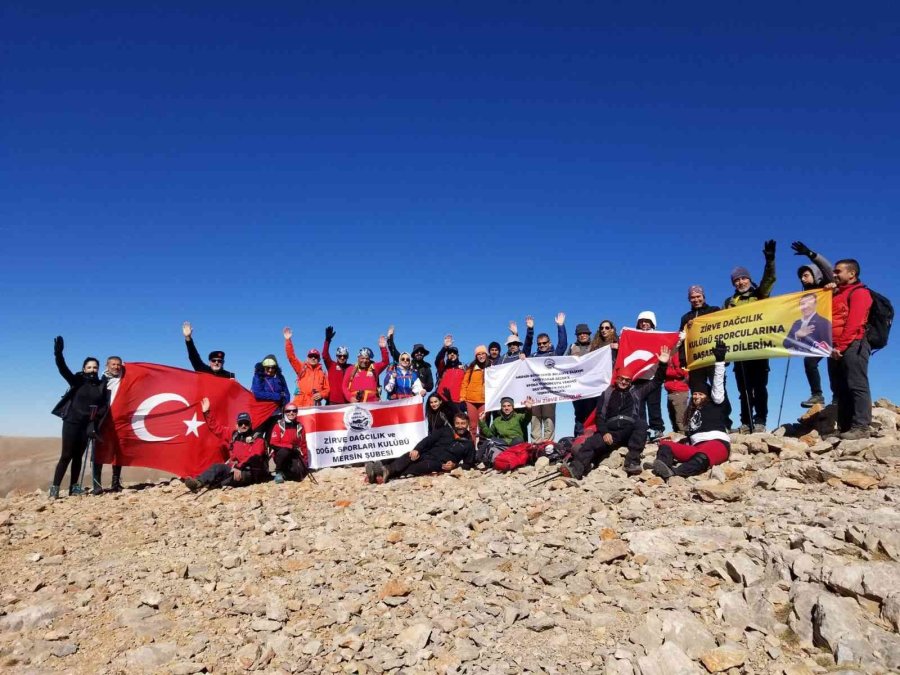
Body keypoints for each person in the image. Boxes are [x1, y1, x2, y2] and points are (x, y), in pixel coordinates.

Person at [560, 345, 670, 479]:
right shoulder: (607, 393)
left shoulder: (636, 392)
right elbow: (600, 416)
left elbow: (656, 382)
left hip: (629, 429)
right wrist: (604, 432)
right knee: (590, 444)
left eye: (627, 380)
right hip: (611, 431)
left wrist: (663, 364)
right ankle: (575, 470)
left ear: (630, 382)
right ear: (617, 379)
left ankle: (632, 462)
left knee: (641, 424)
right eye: (621, 379)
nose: (624, 382)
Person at [652, 339, 730, 479]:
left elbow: (718, 384)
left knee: (703, 456)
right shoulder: (691, 412)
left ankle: (676, 473)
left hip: (716, 443)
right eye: (694, 394)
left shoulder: (715, 402)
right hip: (695, 447)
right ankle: (663, 465)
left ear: (707, 396)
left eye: (700, 394)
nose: (696, 396)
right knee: (665, 445)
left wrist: (719, 361)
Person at [723, 240, 777, 433]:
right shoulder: (729, 302)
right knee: (743, 389)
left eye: (743, 278)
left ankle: (760, 420)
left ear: (748, 278)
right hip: (739, 352)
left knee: (760, 387)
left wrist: (770, 261)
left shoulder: (760, 294)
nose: (740, 282)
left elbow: (769, 280)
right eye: (736, 280)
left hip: (758, 348)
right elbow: (724, 327)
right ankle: (746, 422)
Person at [49, 337, 109, 498]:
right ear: (84, 368)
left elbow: (103, 407)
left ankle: (74, 487)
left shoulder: (101, 386)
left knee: (78, 457)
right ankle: (54, 488)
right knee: (66, 456)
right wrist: (58, 354)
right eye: (89, 367)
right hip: (71, 422)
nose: (92, 370)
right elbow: (63, 369)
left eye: (95, 367)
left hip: (87, 426)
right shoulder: (77, 381)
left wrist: (93, 424)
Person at [181, 398, 269, 491]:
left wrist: (239, 467)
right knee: (217, 467)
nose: (243, 425)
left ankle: (208, 485)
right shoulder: (233, 435)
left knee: (224, 481)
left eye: (246, 423)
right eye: (240, 423)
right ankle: (198, 483)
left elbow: (255, 455)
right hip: (237, 468)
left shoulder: (257, 437)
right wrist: (207, 413)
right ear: (237, 425)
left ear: (250, 424)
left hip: (252, 471)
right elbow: (216, 428)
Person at [829, 259, 873, 440]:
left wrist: (842, 345)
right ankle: (845, 427)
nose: (834, 274)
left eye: (838, 271)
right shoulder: (836, 294)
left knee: (856, 385)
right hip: (833, 348)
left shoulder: (860, 293)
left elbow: (855, 322)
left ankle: (861, 426)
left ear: (851, 273)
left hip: (853, 344)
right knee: (840, 388)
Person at [365, 412, 476, 484]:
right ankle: (384, 470)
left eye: (463, 423)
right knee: (410, 456)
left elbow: (469, 464)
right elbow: (428, 440)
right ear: (454, 423)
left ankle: (380, 473)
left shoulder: (469, 444)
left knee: (420, 466)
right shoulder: (445, 431)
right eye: (458, 423)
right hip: (426, 454)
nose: (460, 426)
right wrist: (417, 449)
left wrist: (455, 465)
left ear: (467, 424)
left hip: (439, 464)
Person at [791, 241, 835, 407]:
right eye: (801, 277)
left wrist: (810, 254)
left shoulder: (828, 285)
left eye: (806, 275)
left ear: (815, 275)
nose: (802, 279)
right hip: (819, 338)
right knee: (809, 362)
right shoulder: (806, 296)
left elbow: (826, 267)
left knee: (834, 367)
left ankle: (838, 398)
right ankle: (817, 395)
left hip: (835, 332)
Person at [527, 313, 569, 441]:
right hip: (535, 392)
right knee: (535, 420)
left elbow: (563, 344)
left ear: (549, 343)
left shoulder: (554, 354)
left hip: (550, 394)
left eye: (544, 343)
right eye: (539, 344)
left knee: (549, 419)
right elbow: (525, 349)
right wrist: (530, 330)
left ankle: (548, 444)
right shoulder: (533, 356)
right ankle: (536, 445)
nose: (542, 345)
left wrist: (560, 326)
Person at [678, 286, 722, 392]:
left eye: (698, 296)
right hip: (695, 361)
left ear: (704, 297)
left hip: (712, 359)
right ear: (689, 299)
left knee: (718, 389)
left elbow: (722, 331)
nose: (696, 300)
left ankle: (722, 408)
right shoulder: (685, 317)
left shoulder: (714, 310)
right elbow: (682, 339)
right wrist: (683, 360)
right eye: (693, 297)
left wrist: (723, 356)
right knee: (697, 392)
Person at [92, 356, 125, 494]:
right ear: (107, 365)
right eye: (113, 364)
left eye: (118, 364)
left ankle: (116, 483)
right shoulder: (100, 381)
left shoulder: (125, 380)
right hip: (102, 419)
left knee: (118, 450)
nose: (116, 367)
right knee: (98, 449)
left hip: (120, 419)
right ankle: (97, 484)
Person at [635, 311, 665, 441]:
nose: (644, 324)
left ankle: (657, 429)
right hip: (638, 377)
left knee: (654, 405)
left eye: (647, 321)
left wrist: (681, 336)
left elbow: (673, 342)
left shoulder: (659, 336)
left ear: (652, 323)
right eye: (641, 321)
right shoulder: (633, 336)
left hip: (653, 376)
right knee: (639, 407)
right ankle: (643, 431)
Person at [283, 327, 330, 407]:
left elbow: (327, 390)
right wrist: (288, 340)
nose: (313, 358)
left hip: (314, 407)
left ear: (319, 359)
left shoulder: (323, 373)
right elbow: (291, 357)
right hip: (300, 406)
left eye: (315, 356)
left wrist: (321, 394)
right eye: (311, 356)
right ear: (308, 358)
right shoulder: (301, 367)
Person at [269, 404, 310, 483]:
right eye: (288, 411)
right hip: (280, 455)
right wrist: (290, 446)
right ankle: (278, 472)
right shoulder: (278, 426)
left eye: (294, 411)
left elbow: (303, 444)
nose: (291, 413)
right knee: (284, 451)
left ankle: (285, 473)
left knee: (298, 475)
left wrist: (305, 461)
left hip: (294, 454)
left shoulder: (300, 426)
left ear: (297, 412)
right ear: (284, 412)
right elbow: (273, 443)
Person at [568, 323, 596, 436]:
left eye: (585, 333)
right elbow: (562, 361)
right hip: (577, 386)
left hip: (593, 386)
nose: (582, 335)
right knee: (579, 413)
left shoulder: (596, 346)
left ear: (589, 334)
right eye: (580, 334)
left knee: (592, 411)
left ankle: (592, 434)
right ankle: (579, 436)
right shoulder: (571, 347)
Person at [251, 355, 291, 436]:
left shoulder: (280, 377)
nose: (270, 370)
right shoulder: (259, 376)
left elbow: (287, 393)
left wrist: (284, 402)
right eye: (267, 367)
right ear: (263, 367)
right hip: (262, 414)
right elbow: (257, 393)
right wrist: (277, 396)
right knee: (257, 438)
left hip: (277, 414)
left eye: (272, 367)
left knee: (274, 439)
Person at [387, 326, 434, 392]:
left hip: (418, 397)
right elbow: (394, 352)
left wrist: (421, 386)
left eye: (421, 352)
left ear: (424, 354)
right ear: (414, 354)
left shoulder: (427, 368)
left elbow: (430, 386)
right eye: (417, 352)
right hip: (404, 395)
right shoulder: (407, 361)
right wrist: (390, 339)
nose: (419, 353)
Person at [342, 338, 390, 402]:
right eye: (362, 358)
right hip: (356, 403)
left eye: (367, 358)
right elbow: (344, 386)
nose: (364, 361)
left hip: (372, 403)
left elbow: (385, 362)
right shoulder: (351, 369)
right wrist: (350, 398)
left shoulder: (374, 367)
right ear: (358, 358)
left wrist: (383, 348)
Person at [460, 346, 490, 438]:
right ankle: (471, 449)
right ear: (476, 356)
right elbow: (464, 384)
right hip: (471, 400)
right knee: (472, 426)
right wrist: (462, 399)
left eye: (483, 354)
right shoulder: (471, 368)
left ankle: (482, 449)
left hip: (484, 401)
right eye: (478, 354)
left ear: (486, 355)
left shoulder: (491, 367)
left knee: (483, 425)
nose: (481, 356)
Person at [434, 335, 466, 410]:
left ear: (457, 355)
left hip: (457, 402)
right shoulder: (443, 368)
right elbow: (438, 360)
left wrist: (464, 401)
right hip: (442, 401)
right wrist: (445, 347)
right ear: (447, 356)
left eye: (454, 353)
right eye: (450, 353)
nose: (452, 354)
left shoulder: (464, 369)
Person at [322, 326, 351, 404]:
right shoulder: (331, 365)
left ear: (347, 357)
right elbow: (325, 355)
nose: (342, 357)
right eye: (340, 355)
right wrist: (327, 340)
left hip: (346, 402)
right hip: (332, 401)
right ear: (336, 356)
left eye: (344, 356)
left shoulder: (351, 367)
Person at [664, 351, 690, 434]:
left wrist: (664, 371)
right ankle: (678, 437)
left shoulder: (679, 354)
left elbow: (682, 371)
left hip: (679, 390)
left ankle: (684, 438)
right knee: (673, 418)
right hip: (671, 391)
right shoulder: (669, 354)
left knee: (681, 419)